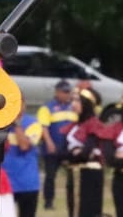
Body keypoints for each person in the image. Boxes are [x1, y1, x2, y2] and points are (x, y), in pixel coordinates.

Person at [62, 88, 105, 217]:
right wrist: (75, 154)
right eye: (73, 100)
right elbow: (61, 153)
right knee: (73, 209)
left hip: (90, 175)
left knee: (87, 210)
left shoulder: (94, 124)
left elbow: (85, 153)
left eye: (78, 101)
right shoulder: (72, 126)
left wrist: (75, 154)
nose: (73, 104)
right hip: (73, 172)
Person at [37, 80, 78, 211]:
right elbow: (44, 127)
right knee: (50, 176)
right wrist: (49, 142)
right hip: (53, 147)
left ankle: (73, 200)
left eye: (68, 92)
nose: (67, 95)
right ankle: (48, 202)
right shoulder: (47, 107)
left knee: (72, 176)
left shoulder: (74, 107)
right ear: (57, 92)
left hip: (69, 148)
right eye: (64, 92)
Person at [6, 97, 45, 217]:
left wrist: (17, 124)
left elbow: (24, 146)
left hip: (27, 184)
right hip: (4, 183)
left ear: (24, 105)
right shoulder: (1, 124)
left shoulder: (33, 123)